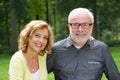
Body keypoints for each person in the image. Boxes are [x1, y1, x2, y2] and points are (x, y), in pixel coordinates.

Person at [47, 8, 120, 80]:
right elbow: (37, 74)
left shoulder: (101, 49)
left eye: (85, 25)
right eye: (75, 24)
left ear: (91, 26)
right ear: (69, 26)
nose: (80, 30)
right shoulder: (55, 50)